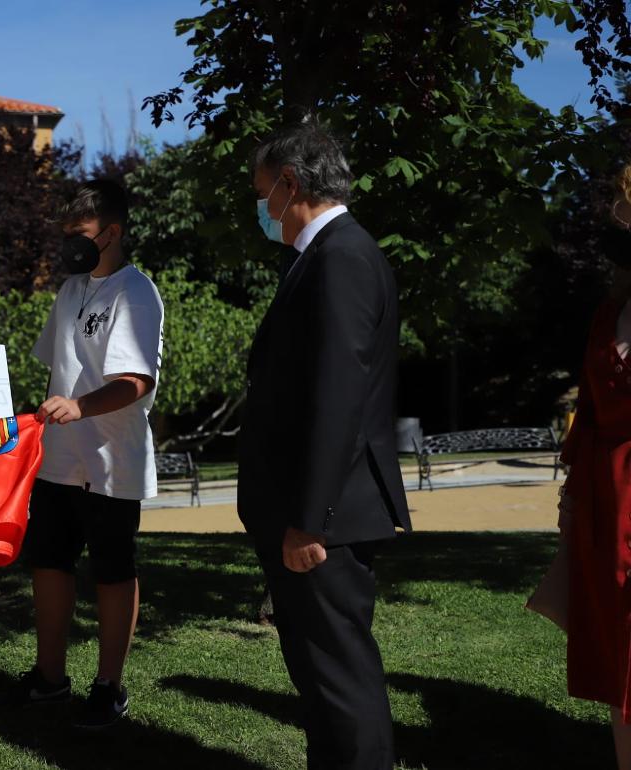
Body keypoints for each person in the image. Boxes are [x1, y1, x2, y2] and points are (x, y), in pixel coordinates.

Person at [237, 122, 410, 769]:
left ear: (291, 184)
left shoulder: (340, 257)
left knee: (341, 682)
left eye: (263, 193)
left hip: (322, 523)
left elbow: (337, 397)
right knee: (320, 681)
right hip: (309, 515)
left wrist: (309, 519)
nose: (262, 208)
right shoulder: (323, 255)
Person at [0, 179, 164, 730]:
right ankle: (49, 678)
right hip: (58, 459)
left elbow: (135, 381)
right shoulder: (69, 290)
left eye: (80, 235)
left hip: (112, 461)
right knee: (49, 562)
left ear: (112, 232)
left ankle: (109, 686)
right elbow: (57, 366)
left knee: (113, 571)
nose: (70, 246)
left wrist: (79, 407)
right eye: (65, 235)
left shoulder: (136, 293)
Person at [558, 161, 631, 769]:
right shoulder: (609, 313)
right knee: (616, 649)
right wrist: (573, 497)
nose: (615, 221)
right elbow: (588, 406)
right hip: (610, 503)